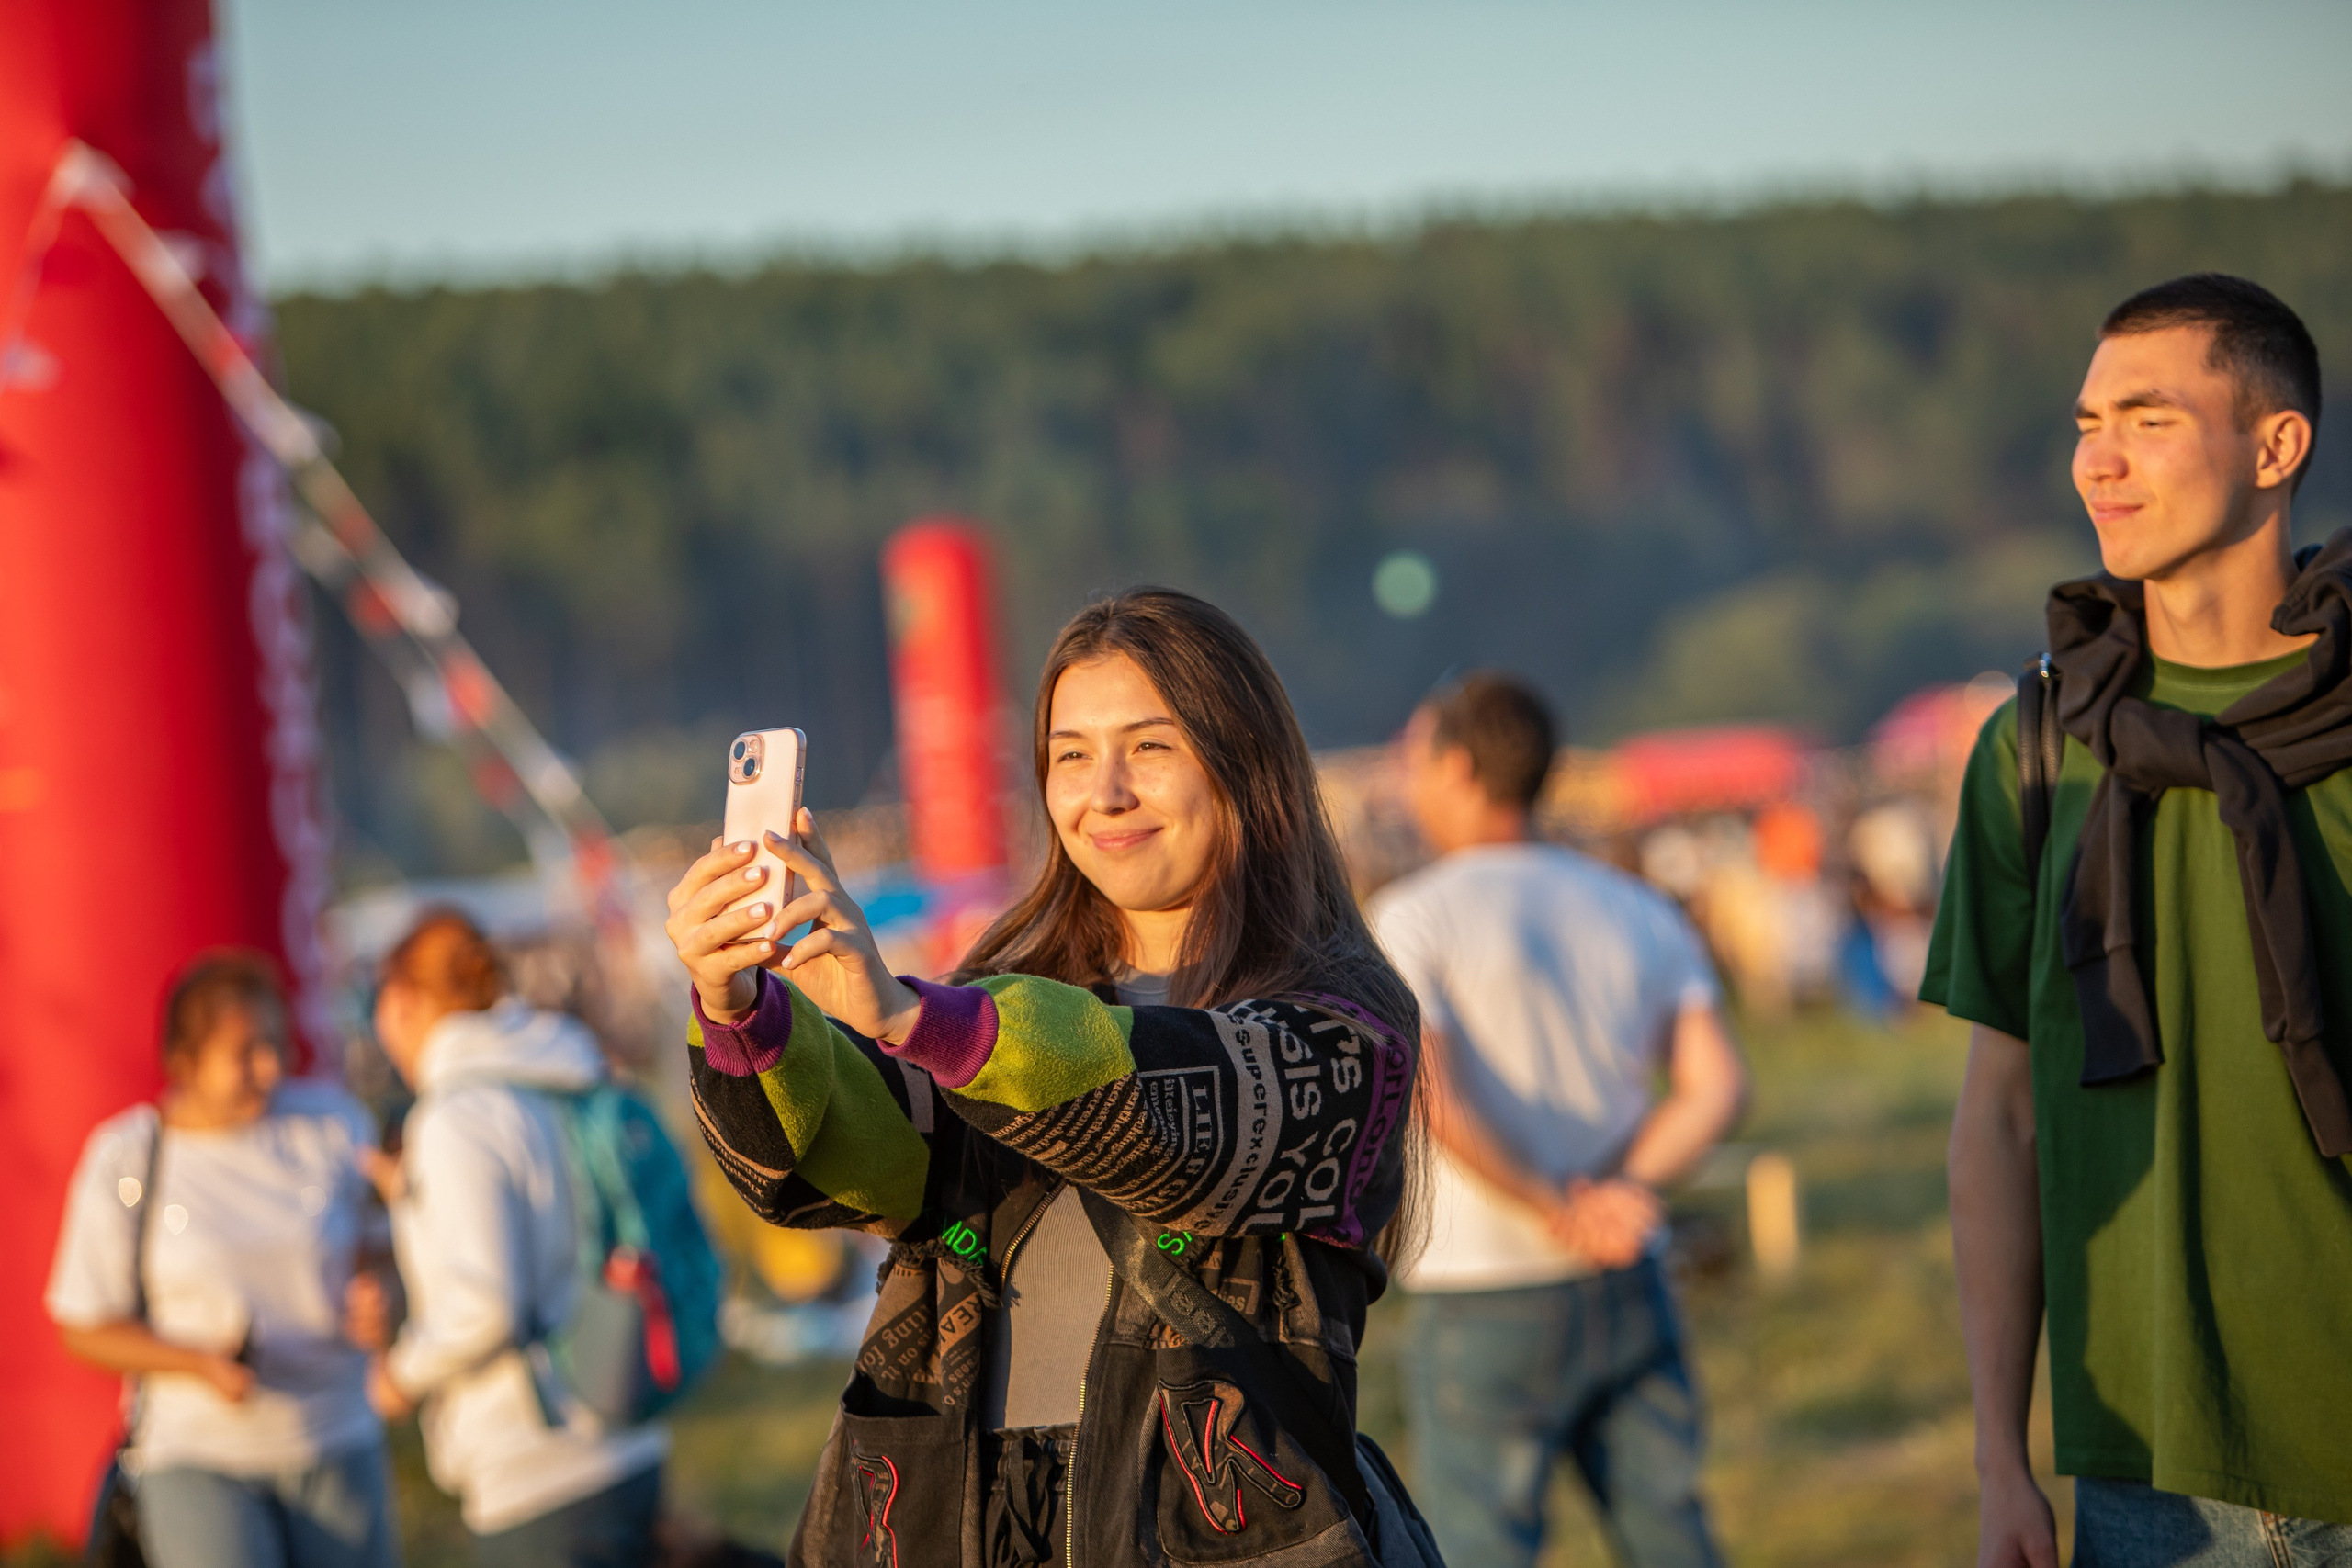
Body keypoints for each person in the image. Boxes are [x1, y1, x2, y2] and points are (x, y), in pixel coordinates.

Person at [665, 587, 1432, 1566]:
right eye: (1069, 755)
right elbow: (849, 1171)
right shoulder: (996, 1003)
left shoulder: (1341, 1018)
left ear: (1243, 762)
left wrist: (909, 1014)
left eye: (1149, 748)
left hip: (1197, 1530)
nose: (1102, 792)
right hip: (955, 1510)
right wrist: (743, 1009)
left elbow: (1169, 1116)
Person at [1928, 274, 2352, 1567]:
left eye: (2150, 419)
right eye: (2085, 421)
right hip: (2142, 1481)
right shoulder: (2036, 747)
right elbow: (1999, 1113)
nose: (2098, 461)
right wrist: (2002, 1455)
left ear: (2276, 445)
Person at [1368, 671, 1748, 1568]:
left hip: (1482, 1287)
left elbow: (1434, 1098)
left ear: (1458, 767)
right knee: (1671, 1539)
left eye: (1418, 761)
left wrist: (1553, 1204)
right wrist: (1620, 1193)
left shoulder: (1411, 917)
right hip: (1628, 1272)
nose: (1412, 784)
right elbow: (1718, 1084)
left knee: (1478, 1547)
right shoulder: (1635, 906)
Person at [46, 950, 401, 1568]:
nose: (269, 1067)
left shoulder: (331, 1123)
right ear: (183, 1061)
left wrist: (384, 1297)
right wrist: (197, 1362)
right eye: (245, 1052)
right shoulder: (129, 1154)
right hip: (198, 1449)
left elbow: (385, 1249)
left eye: (276, 1044)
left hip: (337, 1431)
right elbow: (83, 1325)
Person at [365, 910, 669, 1565]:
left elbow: (485, 1307)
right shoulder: (562, 1073)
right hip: (627, 1417)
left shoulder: (454, 1117)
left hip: (537, 1464)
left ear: (404, 1002)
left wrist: (397, 1375)